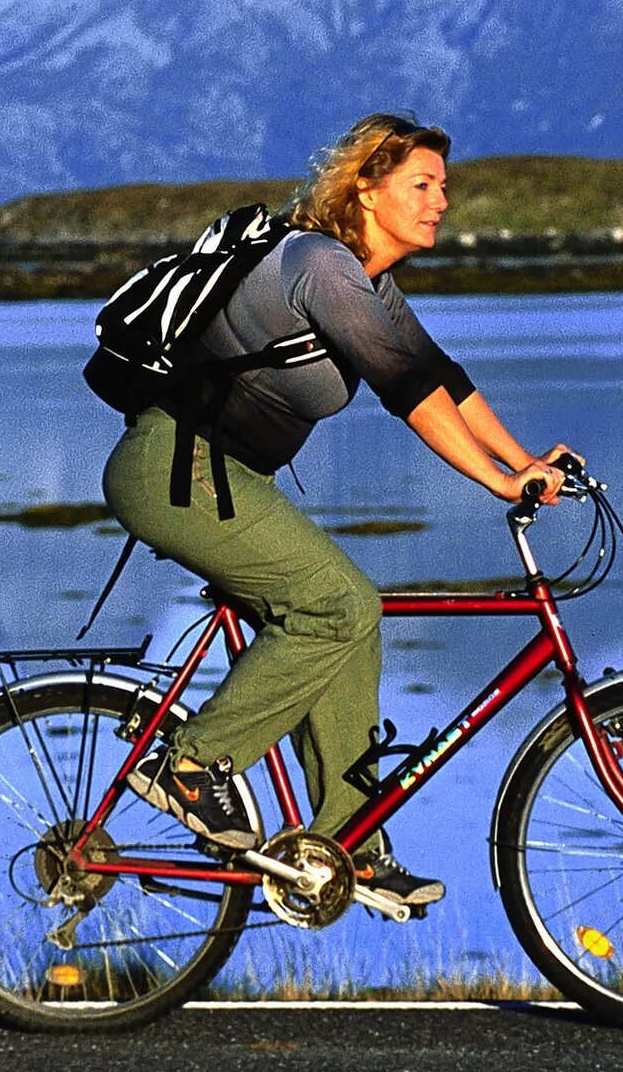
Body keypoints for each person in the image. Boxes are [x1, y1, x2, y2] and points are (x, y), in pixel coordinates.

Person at [104, 113, 571, 914]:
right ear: (366, 186)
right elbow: (406, 391)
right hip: (173, 467)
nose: (440, 203)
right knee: (337, 603)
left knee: (354, 617)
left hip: (221, 475)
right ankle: (187, 764)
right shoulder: (319, 265)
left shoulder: (368, 280)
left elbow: (440, 374)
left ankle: (349, 841)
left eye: (445, 188)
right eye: (422, 185)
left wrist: (523, 460)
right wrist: (497, 484)